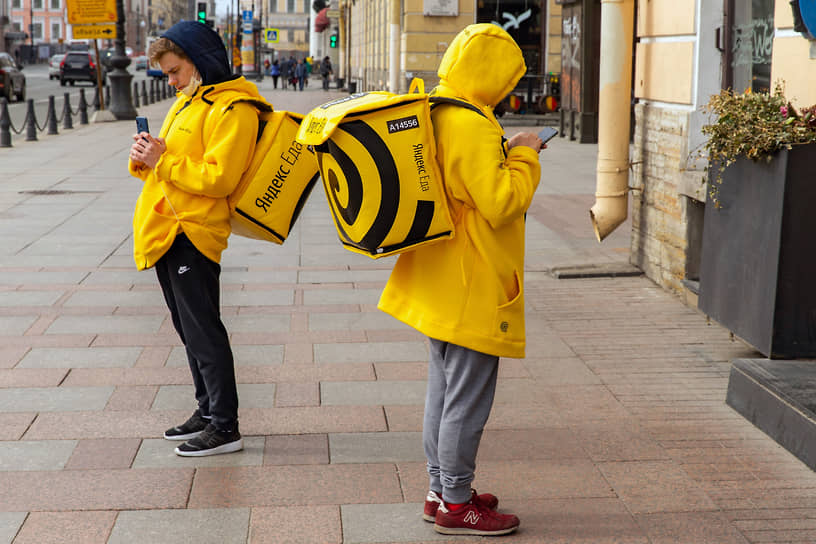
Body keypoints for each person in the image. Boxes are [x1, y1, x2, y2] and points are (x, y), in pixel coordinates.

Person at [377, 23, 543, 536]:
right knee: (468, 397)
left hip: (440, 276)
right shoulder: (472, 123)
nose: (509, 90)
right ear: (489, 76)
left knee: (443, 390)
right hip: (472, 281)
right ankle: (455, 503)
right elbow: (502, 202)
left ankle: (439, 488)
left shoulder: (436, 109)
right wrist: (526, 154)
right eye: (507, 79)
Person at [128, 21, 271, 457]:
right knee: (187, 328)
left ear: (200, 63)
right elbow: (171, 157)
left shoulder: (235, 109)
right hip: (166, 228)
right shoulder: (190, 101)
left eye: (174, 71)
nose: (170, 81)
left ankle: (225, 425)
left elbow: (221, 178)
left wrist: (163, 161)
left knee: (204, 330)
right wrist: (146, 155)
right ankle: (206, 410)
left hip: (194, 231)